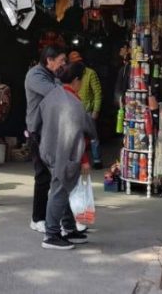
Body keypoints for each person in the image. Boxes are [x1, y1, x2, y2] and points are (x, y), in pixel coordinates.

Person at [37, 62, 95, 250]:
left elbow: (37, 122)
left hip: (48, 149)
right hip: (66, 154)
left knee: (64, 190)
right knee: (60, 191)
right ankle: (51, 234)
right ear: (77, 80)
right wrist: (85, 160)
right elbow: (84, 134)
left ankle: (69, 229)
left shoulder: (51, 96)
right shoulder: (75, 103)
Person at [25, 45, 66, 232]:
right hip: (39, 133)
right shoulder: (36, 76)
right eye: (61, 60)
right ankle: (38, 218)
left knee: (59, 176)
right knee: (43, 177)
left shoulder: (51, 75)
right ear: (49, 60)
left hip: (51, 132)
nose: (63, 64)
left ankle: (66, 221)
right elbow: (57, 94)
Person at [69, 51, 103, 169]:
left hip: (88, 111)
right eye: (74, 62)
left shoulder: (90, 73)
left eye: (78, 61)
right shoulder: (69, 74)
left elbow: (97, 92)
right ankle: (77, 160)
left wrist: (96, 111)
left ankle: (97, 160)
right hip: (74, 111)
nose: (76, 64)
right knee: (76, 137)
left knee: (93, 137)